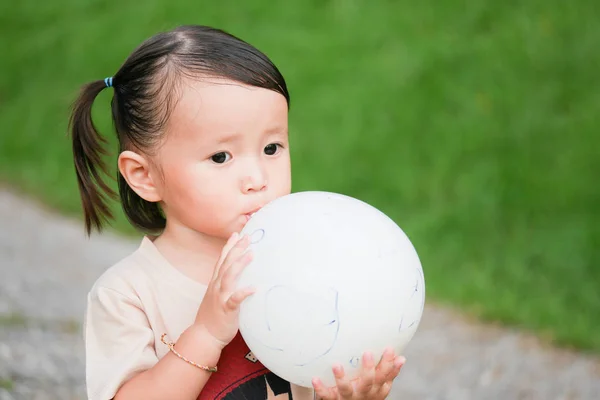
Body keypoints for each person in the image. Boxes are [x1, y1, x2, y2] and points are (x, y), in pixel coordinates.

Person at [69, 24, 406, 400]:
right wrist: (206, 334)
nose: (257, 178)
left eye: (272, 148)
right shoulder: (128, 294)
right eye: (220, 157)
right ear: (145, 176)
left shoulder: (304, 268)